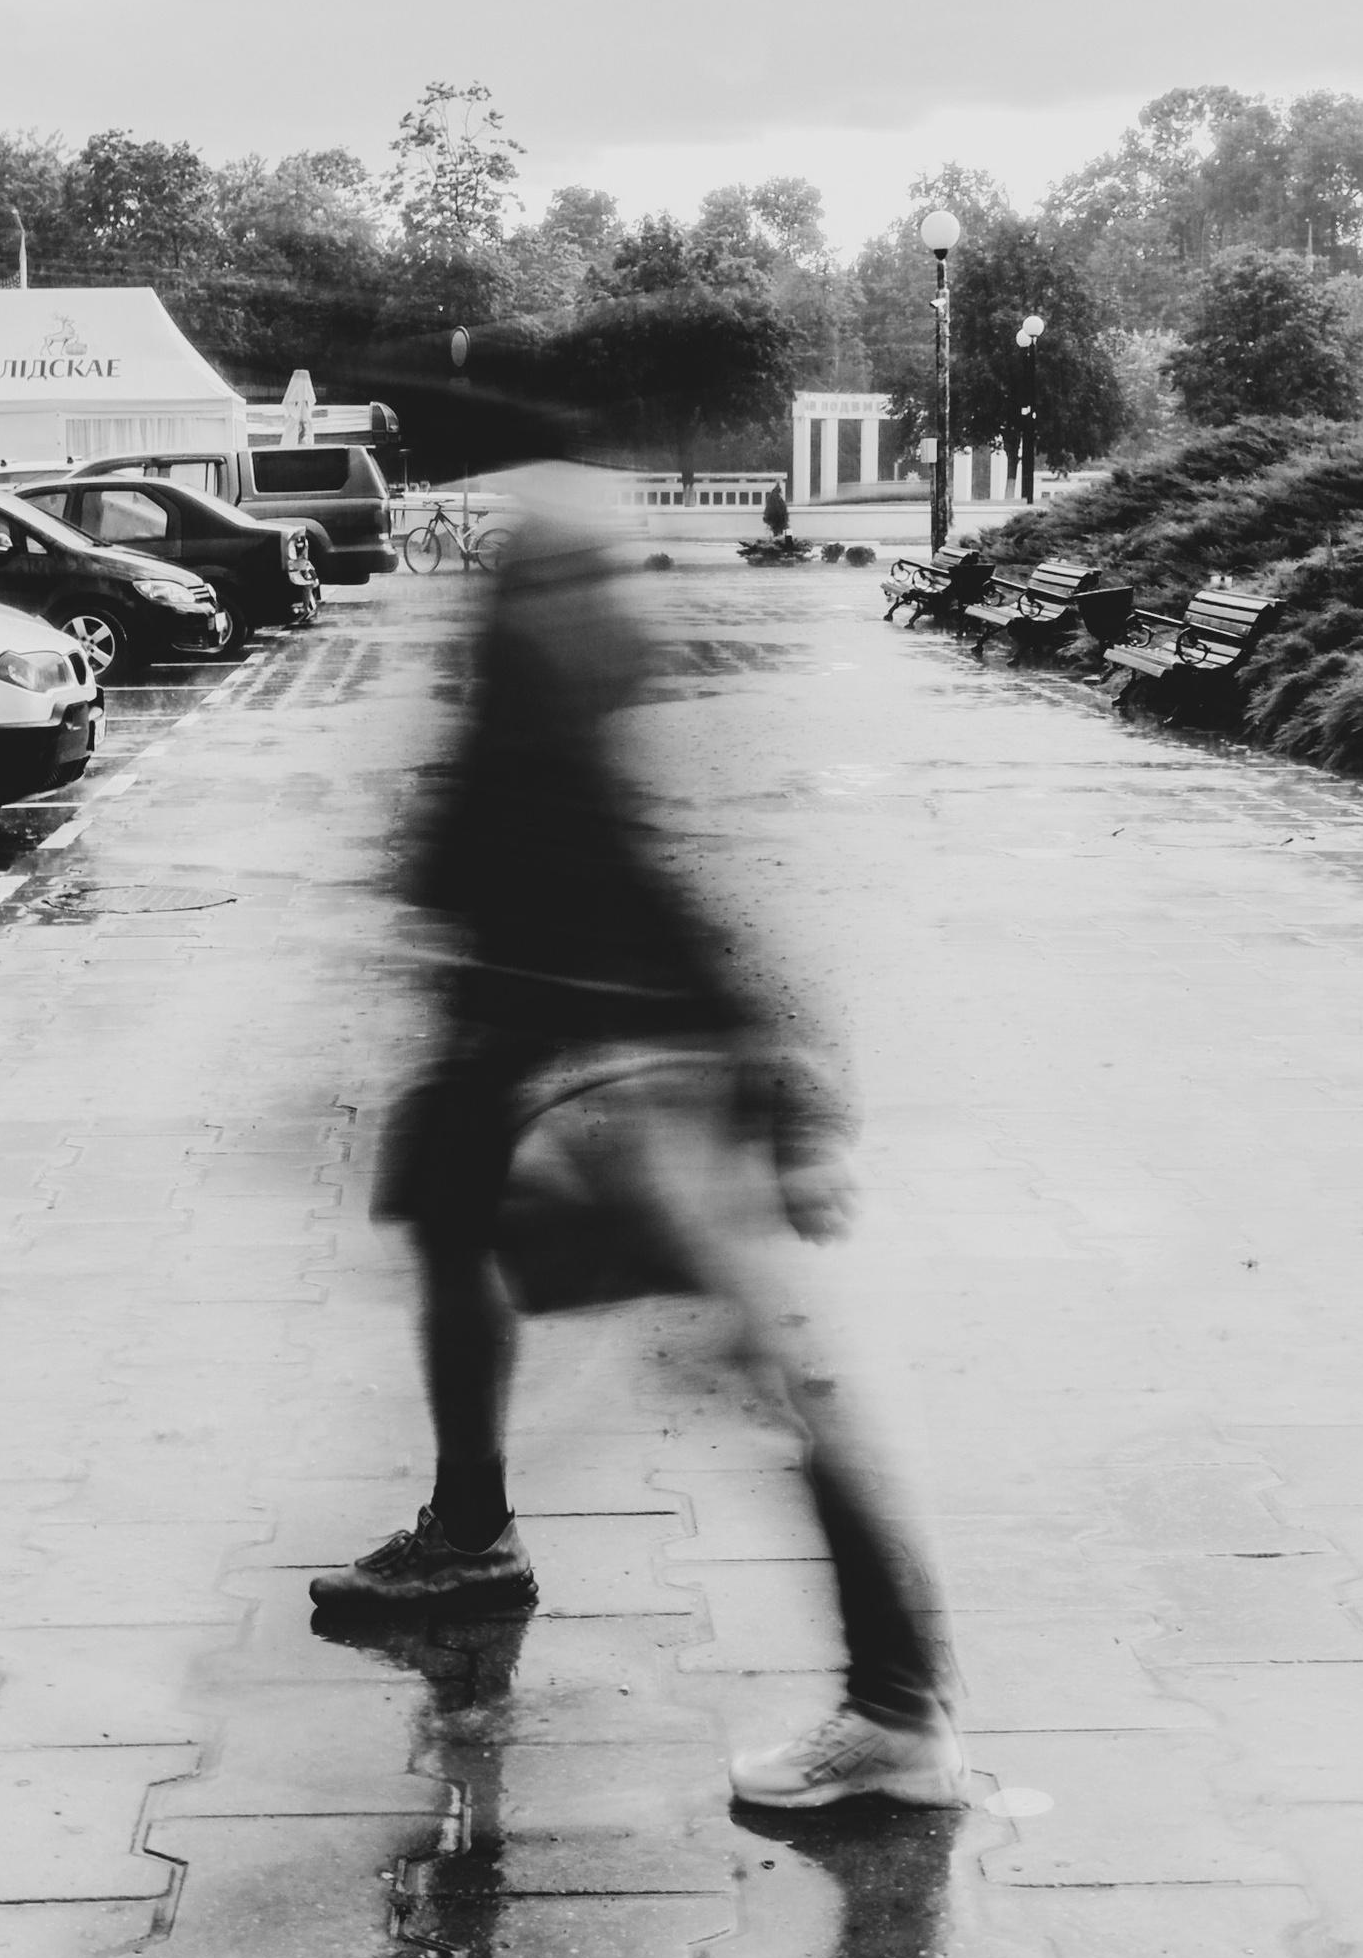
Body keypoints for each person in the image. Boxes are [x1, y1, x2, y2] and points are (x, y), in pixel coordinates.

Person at [313, 464, 963, 1811]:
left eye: (573, 580)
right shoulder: (529, 730)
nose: (592, 606)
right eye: (562, 581)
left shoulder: (542, 736)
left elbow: (637, 905)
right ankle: (474, 1529)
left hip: (649, 1105)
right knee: (483, 1244)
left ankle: (897, 1711)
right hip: (604, 1094)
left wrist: (784, 1101)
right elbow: (526, 895)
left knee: (791, 1387)